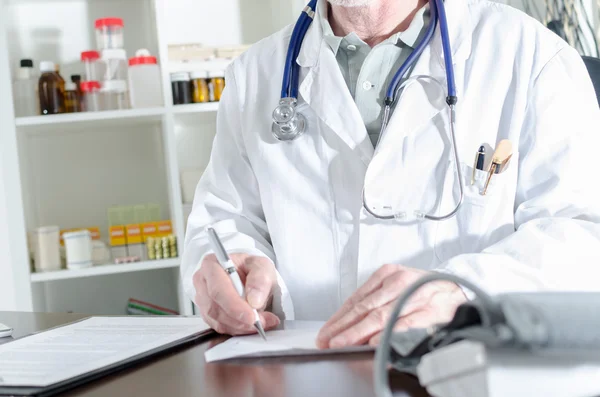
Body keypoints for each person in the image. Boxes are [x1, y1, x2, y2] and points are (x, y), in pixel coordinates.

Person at [182, 0, 600, 349]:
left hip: (475, 373)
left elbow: (583, 236)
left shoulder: (531, 58)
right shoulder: (255, 75)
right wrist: (235, 275)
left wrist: (465, 292)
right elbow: (224, 223)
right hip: (306, 375)